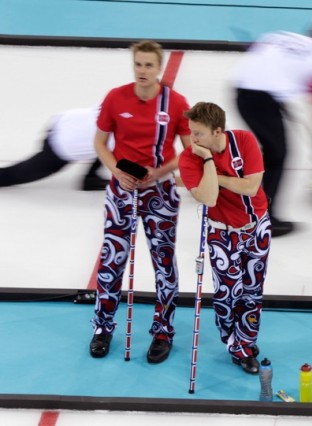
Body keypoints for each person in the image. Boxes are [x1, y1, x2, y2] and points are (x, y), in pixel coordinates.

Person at [88, 40, 191, 364]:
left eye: (149, 65)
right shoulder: (116, 97)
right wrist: (116, 169)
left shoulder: (175, 103)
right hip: (122, 191)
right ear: (133, 65)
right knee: (111, 260)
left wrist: (158, 171)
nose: (143, 71)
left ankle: (163, 332)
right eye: (138, 64)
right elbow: (100, 142)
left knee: (163, 262)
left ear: (159, 68)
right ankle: (102, 328)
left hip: (159, 193)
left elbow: (188, 150)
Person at [178, 102, 270, 375]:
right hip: (221, 232)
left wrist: (216, 177)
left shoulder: (244, 140)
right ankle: (233, 339)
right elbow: (208, 197)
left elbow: (252, 187)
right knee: (227, 293)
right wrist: (207, 160)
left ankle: (244, 345)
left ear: (218, 132)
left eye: (198, 133)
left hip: (257, 226)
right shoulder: (189, 158)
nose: (192, 139)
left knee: (252, 292)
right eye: (191, 132)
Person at [233, 26, 312, 237]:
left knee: (272, 151)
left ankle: (254, 208)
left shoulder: (281, 36)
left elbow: (264, 61)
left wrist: (279, 99)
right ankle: (265, 219)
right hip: (260, 99)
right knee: (278, 154)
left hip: (241, 90)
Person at [0, 107, 108, 191]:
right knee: (11, 175)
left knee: (109, 146)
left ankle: (91, 178)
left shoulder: (119, 99)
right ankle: (90, 179)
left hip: (65, 120)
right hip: (61, 148)